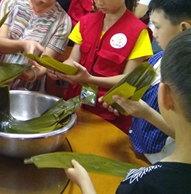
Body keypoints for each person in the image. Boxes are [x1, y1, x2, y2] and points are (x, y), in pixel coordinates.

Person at [65, 28, 191, 194]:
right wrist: (143, 111)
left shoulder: (146, 184)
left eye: (159, 26)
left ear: (166, 96)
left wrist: (85, 182)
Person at [50, 0, 153, 133]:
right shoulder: (85, 22)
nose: (99, 2)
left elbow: (128, 79)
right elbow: (73, 60)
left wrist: (89, 80)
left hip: (109, 113)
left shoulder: (138, 31)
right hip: (77, 105)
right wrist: (58, 69)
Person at [101, 0, 191, 164]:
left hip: (163, 160)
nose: (154, 33)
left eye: (157, 26)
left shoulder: (184, 77)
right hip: (138, 148)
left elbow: (184, 135)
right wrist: (124, 104)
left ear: (183, 28)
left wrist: (145, 112)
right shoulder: (158, 59)